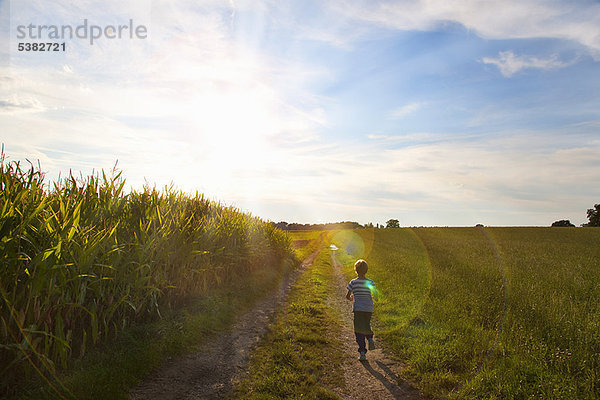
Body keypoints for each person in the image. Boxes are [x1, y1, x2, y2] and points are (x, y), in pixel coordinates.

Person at [345, 259, 377, 360]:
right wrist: (373, 298)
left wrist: (351, 298)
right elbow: (376, 296)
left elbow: (347, 296)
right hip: (368, 308)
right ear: (366, 270)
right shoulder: (370, 282)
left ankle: (362, 353)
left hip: (358, 308)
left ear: (356, 270)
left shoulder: (353, 282)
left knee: (359, 330)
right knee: (367, 324)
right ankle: (370, 338)